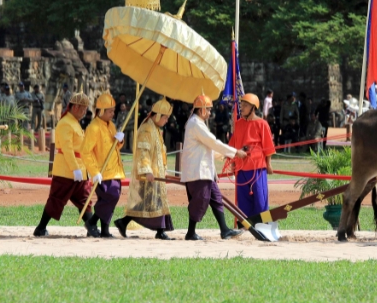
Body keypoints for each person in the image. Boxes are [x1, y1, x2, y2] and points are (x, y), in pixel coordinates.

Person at [180, 93, 247, 241]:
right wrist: (235, 152)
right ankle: (190, 233)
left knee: (216, 199)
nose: (210, 113)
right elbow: (213, 142)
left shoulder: (198, 123)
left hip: (205, 172)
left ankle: (224, 230)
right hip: (198, 172)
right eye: (208, 109)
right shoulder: (196, 124)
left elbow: (208, 148)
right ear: (201, 110)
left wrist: (227, 155)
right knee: (200, 201)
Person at [33, 91, 97, 237]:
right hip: (66, 170)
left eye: (85, 108)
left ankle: (91, 227)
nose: (84, 111)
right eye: (81, 108)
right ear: (74, 107)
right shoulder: (65, 123)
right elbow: (67, 149)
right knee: (56, 199)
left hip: (79, 168)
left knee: (84, 199)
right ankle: (41, 227)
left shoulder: (74, 123)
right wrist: (75, 168)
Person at [115, 99, 175, 240]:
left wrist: (163, 168)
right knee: (153, 201)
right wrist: (147, 170)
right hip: (149, 173)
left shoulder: (155, 129)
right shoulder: (147, 129)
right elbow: (143, 151)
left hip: (156, 172)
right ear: (159, 116)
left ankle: (123, 222)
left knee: (149, 201)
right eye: (166, 117)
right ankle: (160, 230)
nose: (167, 121)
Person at [82, 93, 125, 238]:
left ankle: (105, 229)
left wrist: (119, 141)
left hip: (115, 169)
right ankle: (92, 222)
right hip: (102, 171)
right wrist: (94, 172)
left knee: (110, 199)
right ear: (101, 111)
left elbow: (114, 147)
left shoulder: (111, 125)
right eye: (110, 111)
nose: (113, 114)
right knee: (110, 196)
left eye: (113, 110)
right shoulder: (93, 128)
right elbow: (85, 152)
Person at [228, 93, 276, 219]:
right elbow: (233, 145)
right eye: (241, 105)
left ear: (253, 108)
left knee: (260, 198)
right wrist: (233, 164)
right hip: (241, 167)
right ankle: (245, 225)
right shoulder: (238, 124)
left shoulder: (262, 124)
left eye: (245, 105)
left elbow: (268, 146)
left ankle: (264, 223)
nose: (242, 108)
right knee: (243, 199)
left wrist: (269, 164)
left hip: (257, 168)